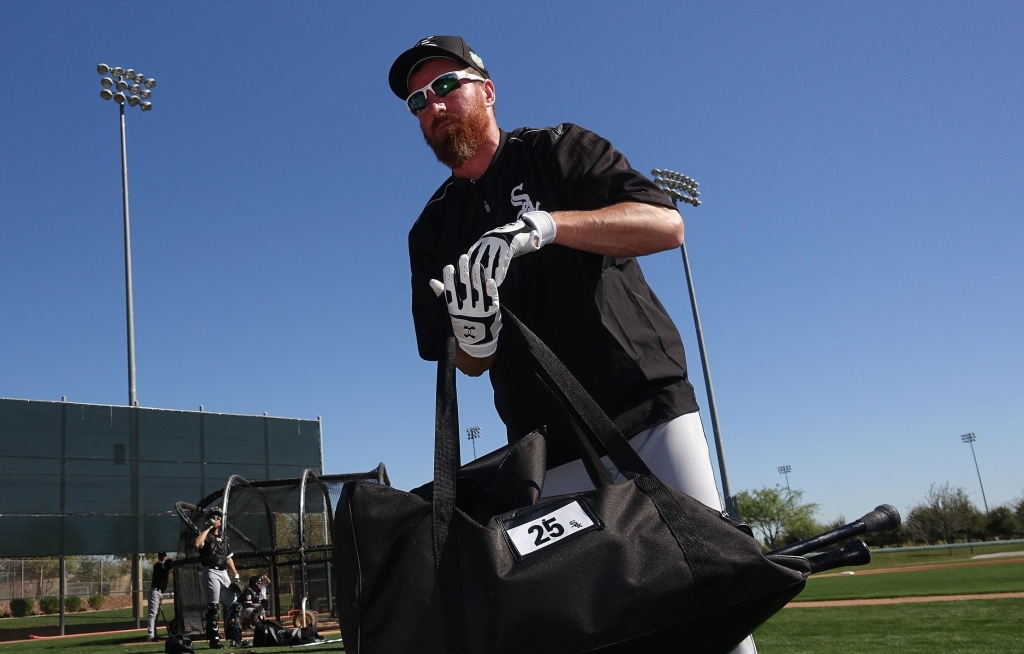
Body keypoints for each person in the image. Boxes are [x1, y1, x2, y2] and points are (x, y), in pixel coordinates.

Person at [391, 35, 757, 654]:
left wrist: (552, 226)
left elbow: (665, 224)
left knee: (716, 610)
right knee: (600, 626)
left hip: (648, 415)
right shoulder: (431, 228)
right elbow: (466, 362)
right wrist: (475, 336)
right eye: (418, 101)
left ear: (486, 88)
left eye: (446, 85)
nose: (433, 106)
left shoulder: (557, 149)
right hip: (548, 447)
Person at [194, 507, 241, 649]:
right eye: (213, 517)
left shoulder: (224, 537)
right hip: (211, 572)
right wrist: (207, 528)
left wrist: (236, 575)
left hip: (224, 572)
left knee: (234, 605)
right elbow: (197, 544)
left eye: (218, 517)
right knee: (213, 608)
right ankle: (214, 641)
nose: (216, 519)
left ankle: (235, 639)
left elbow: (228, 558)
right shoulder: (206, 535)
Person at [145, 551, 176, 642]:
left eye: (164, 556)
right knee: (153, 614)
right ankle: (151, 636)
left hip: (159, 593)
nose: (163, 557)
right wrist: (172, 561)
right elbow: (166, 564)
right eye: (161, 556)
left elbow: (168, 564)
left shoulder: (164, 565)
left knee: (156, 615)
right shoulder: (158, 565)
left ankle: (154, 635)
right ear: (159, 558)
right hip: (155, 591)